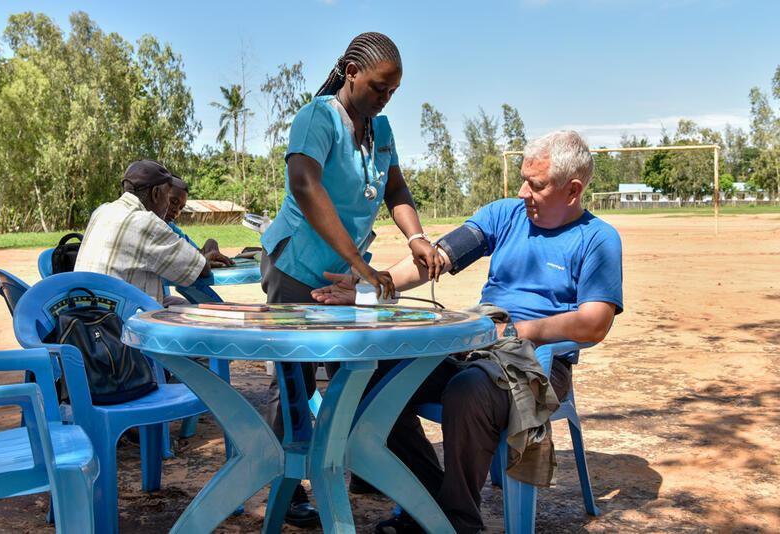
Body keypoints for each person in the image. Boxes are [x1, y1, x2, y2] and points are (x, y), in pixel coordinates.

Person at [312, 130, 624, 534]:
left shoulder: (598, 239)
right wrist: (374, 283)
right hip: (473, 347)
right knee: (362, 372)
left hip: (538, 364)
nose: (525, 192)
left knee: (466, 392)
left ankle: (457, 522)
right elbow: (435, 259)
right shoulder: (504, 215)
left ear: (573, 189)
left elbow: (594, 323)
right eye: (525, 180)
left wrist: (513, 331)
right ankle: (431, 502)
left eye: (538, 185)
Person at [259, 32, 442, 527]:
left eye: (393, 91)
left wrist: (417, 237)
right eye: (380, 87)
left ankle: (363, 463)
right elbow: (304, 183)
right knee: (292, 378)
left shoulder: (380, 130)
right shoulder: (319, 117)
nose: (385, 99)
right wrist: (362, 267)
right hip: (297, 269)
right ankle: (286, 485)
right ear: (350, 72)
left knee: (358, 369)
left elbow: (396, 188)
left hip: (344, 278)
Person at [75, 159, 227, 306]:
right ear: (155, 194)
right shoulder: (147, 223)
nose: (169, 206)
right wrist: (206, 259)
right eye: (168, 198)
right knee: (198, 313)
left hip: (87, 310)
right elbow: (200, 270)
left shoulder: (101, 211)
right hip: (122, 318)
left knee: (179, 304)